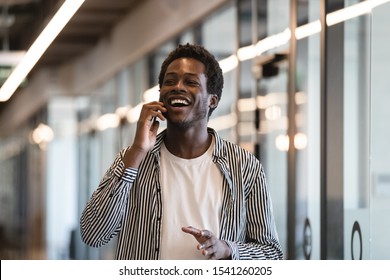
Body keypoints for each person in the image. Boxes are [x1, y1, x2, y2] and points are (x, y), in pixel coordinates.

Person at [80, 43, 283, 260]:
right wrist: (138, 150)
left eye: (191, 82)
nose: (177, 87)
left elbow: (272, 254)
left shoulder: (244, 167)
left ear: (212, 100)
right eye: (169, 81)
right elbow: (93, 234)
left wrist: (227, 249)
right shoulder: (133, 160)